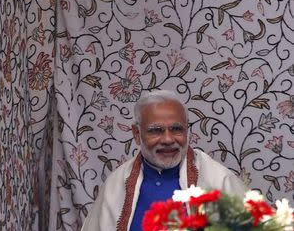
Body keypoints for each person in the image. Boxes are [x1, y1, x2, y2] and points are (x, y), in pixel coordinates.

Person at [81, 90, 246, 231]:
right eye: (156, 130)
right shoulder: (115, 185)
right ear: (137, 134)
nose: (168, 139)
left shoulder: (219, 180)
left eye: (176, 129)